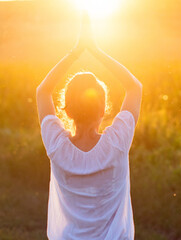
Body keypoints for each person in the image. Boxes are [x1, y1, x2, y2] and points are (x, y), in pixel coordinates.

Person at [36, 11, 142, 240]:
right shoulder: (117, 143)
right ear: (103, 110)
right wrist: (95, 50)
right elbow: (134, 88)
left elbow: (42, 91)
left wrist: (74, 53)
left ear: (67, 110)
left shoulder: (56, 146)